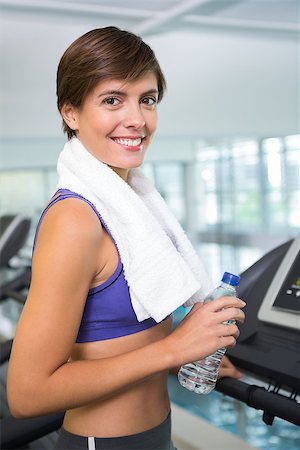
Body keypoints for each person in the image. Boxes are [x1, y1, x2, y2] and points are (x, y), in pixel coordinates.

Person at [7, 26, 245, 450]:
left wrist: (188, 355)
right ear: (71, 114)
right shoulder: (76, 219)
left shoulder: (132, 204)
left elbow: (115, 343)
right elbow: (26, 394)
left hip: (154, 436)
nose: (137, 119)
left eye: (147, 100)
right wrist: (174, 349)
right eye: (112, 100)